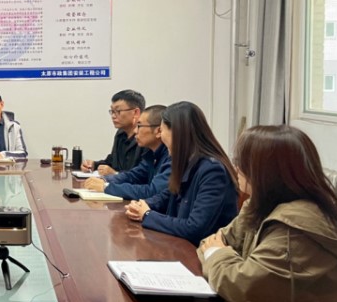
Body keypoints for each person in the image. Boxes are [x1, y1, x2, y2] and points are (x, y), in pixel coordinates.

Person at [198, 125, 337, 302]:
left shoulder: (296, 226)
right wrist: (219, 252)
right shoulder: (262, 205)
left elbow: (243, 286)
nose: (236, 167)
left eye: (242, 161)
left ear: (265, 171)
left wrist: (217, 254)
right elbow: (211, 242)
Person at [124, 101, 238, 245]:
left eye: (162, 130)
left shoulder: (212, 170)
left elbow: (194, 228)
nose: (161, 136)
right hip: (179, 245)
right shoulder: (187, 162)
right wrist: (142, 206)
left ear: (177, 133)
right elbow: (167, 196)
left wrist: (147, 214)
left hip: (201, 251)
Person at [84, 104, 169, 202]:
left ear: (158, 131)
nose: (135, 131)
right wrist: (105, 180)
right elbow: (133, 176)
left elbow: (152, 192)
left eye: (139, 126)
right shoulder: (151, 154)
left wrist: (106, 187)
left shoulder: (171, 157)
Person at [82, 89, 146, 175]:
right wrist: (94, 165)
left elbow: (142, 174)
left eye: (118, 111)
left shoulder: (146, 137)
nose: (113, 116)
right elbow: (112, 161)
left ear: (135, 112)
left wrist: (115, 174)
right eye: (112, 111)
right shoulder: (120, 133)